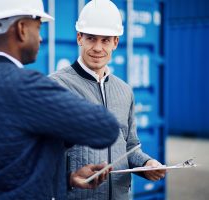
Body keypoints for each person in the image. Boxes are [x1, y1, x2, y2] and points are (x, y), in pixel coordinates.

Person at [0, 0, 120, 199]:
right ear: (22, 29)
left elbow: (10, 167)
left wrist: (67, 179)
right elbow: (105, 128)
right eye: (38, 27)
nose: (40, 38)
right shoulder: (25, 85)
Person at [49, 0, 166, 199]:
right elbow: (42, 155)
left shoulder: (125, 91)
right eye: (91, 38)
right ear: (79, 38)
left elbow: (130, 147)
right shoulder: (56, 86)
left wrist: (146, 164)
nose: (97, 48)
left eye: (105, 40)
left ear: (115, 42)